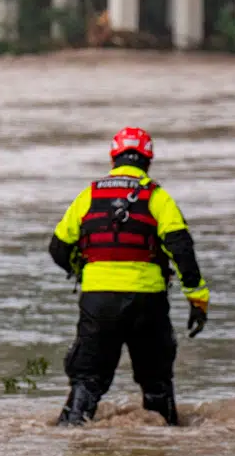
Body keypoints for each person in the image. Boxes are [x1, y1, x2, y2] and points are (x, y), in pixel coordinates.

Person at [48, 127, 210, 427]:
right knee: (156, 381)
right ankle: (164, 447)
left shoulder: (89, 195)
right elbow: (182, 250)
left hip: (98, 302)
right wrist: (197, 300)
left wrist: (82, 270)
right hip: (147, 301)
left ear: (113, 158)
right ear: (148, 161)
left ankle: (69, 443)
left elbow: (58, 248)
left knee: (87, 380)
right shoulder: (158, 197)